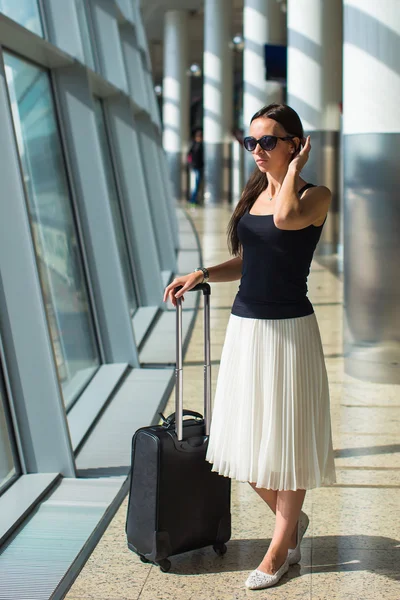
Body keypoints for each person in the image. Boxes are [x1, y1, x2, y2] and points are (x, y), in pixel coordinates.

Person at [163, 103, 336, 591]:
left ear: (295, 143)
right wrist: (203, 273)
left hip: (290, 331)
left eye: (268, 141)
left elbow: (285, 223)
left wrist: (295, 171)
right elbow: (249, 258)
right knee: (236, 440)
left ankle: (280, 549)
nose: (257, 151)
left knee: (288, 441)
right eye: (250, 142)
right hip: (246, 327)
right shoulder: (255, 191)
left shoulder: (314, 194)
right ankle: (292, 524)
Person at [187, 128, 204, 205]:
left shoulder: (201, 145)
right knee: (196, 184)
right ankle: (192, 200)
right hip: (195, 167)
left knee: (198, 184)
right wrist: (191, 164)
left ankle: (195, 199)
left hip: (199, 167)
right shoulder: (194, 144)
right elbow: (189, 155)